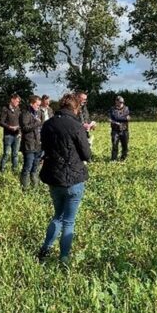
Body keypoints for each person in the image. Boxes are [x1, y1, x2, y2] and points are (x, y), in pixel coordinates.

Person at [37, 93, 91, 264]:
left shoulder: (47, 124)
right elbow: (86, 154)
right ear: (75, 107)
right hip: (74, 177)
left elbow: (44, 147)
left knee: (57, 216)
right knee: (69, 221)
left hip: (54, 176)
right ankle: (64, 257)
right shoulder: (76, 125)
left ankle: (45, 249)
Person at [20, 95, 43, 191]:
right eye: (37, 105)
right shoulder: (25, 114)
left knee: (35, 167)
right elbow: (25, 128)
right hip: (29, 145)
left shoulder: (37, 114)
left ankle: (35, 187)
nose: (39, 107)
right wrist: (37, 123)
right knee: (27, 167)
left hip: (38, 144)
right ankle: (25, 188)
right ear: (31, 103)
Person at [0, 93, 22, 173]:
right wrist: (9, 127)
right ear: (12, 100)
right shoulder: (5, 109)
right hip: (8, 135)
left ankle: (14, 170)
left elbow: (21, 122)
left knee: (15, 154)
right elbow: (1, 122)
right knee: (6, 154)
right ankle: (2, 170)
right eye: (17, 101)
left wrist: (20, 131)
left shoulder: (18, 109)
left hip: (17, 135)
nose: (18, 103)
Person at [109, 95, 130, 161]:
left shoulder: (126, 108)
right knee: (115, 145)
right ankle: (114, 159)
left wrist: (115, 120)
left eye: (123, 102)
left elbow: (126, 118)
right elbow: (113, 118)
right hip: (115, 130)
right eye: (120, 102)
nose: (122, 103)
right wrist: (123, 118)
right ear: (116, 102)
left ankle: (123, 159)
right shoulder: (112, 109)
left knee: (125, 145)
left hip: (124, 129)